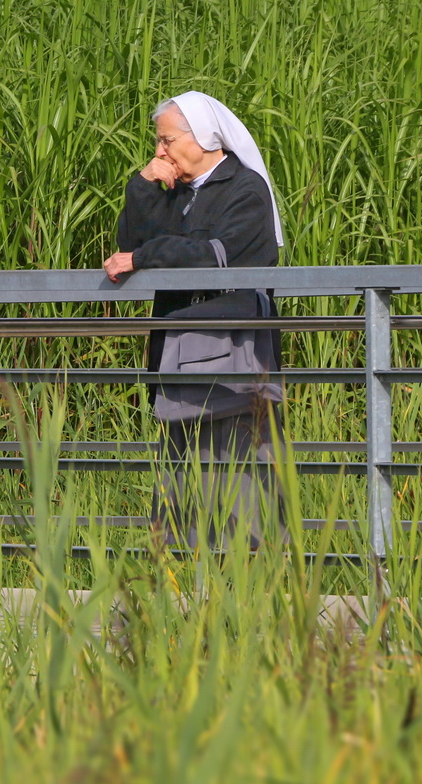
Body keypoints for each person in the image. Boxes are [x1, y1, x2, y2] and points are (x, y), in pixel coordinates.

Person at [103, 91, 286, 551]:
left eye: (166, 141)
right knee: (180, 481)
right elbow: (134, 243)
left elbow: (211, 255)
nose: (159, 151)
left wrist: (144, 256)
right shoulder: (177, 194)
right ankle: (181, 590)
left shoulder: (245, 191)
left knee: (242, 477)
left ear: (202, 137)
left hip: (235, 362)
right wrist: (143, 186)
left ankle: (254, 594)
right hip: (179, 356)